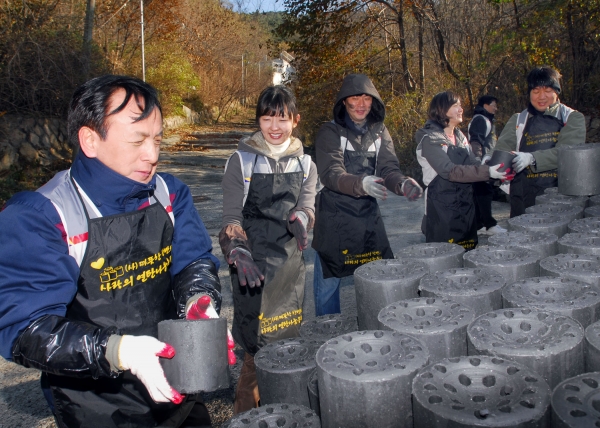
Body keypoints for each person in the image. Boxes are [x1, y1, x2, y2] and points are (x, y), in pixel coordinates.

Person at [0, 75, 234, 428]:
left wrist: (198, 300)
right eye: (137, 140)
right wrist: (118, 350)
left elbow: (194, 260)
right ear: (90, 140)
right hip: (95, 408)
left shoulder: (169, 194)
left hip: (177, 390)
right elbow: (24, 329)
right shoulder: (43, 216)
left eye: (157, 139)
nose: (152, 155)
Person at [219, 85, 317, 413]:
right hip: (252, 269)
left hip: (290, 266)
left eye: (282, 119)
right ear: (258, 120)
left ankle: (284, 414)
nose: (274, 127)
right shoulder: (241, 161)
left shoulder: (306, 164)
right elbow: (231, 217)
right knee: (255, 350)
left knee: (287, 346)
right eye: (266, 118)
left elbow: (307, 204)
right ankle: (246, 416)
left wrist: (303, 219)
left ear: (295, 120)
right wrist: (237, 249)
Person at [311, 73, 423, 317]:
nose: (361, 104)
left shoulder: (380, 132)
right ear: (343, 102)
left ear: (374, 102)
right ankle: (328, 332)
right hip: (335, 219)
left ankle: (380, 324)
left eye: (366, 98)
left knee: (380, 277)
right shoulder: (329, 132)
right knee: (329, 282)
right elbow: (331, 173)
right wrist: (361, 183)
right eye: (354, 98)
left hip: (367, 219)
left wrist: (402, 184)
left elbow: (389, 169)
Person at [416, 91, 511, 250]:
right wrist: (487, 172)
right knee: (445, 256)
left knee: (468, 252)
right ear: (441, 109)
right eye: (455, 106)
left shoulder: (460, 137)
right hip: (441, 208)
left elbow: (473, 162)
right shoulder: (429, 139)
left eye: (460, 105)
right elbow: (449, 171)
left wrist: (493, 168)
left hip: (466, 205)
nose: (461, 109)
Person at [491, 66, 586, 217]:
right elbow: (503, 150)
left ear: (557, 91)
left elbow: (567, 153)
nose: (541, 97)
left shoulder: (572, 117)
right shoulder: (518, 119)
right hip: (522, 196)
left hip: (559, 195)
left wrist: (532, 158)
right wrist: (491, 160)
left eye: (547, 90)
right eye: (536, 91)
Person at [468, 95, 506, 235]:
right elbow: (476, 140)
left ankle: (479, 225)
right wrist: (479, 162)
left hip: (483, 162)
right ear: (485, 105)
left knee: (479, 193)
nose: (495, 108)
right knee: (484, 192)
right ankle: (490, 225)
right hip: (482, 163)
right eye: (493, 105)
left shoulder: (484, 119)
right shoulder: (481, 119)